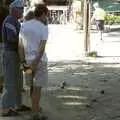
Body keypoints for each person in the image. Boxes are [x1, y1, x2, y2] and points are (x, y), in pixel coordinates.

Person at [19, 4, 49, 120]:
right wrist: (35, 63)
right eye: (46, 15)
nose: (46, 18)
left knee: (31, 86)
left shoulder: (24, 25)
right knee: (37, 88)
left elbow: (20, 46)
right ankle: (35, 113)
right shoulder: (44, 28)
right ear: (42, 14)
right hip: (39, 61)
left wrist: (23, 61)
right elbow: (42, 48)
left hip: (26, 60)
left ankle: (34, 109)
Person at [1, 0, 30, 116]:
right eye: (20, 9)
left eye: (23, 9)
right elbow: (11, 39)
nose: (22, 11)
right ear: (13, 10)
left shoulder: (16, 21)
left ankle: (17, 105)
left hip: (16, 54)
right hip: (11, 54)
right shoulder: (9, 21)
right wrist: (25, 41)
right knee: (10, 82)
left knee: (18, 81)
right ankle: (5, 108)